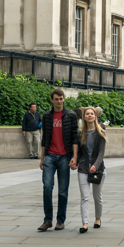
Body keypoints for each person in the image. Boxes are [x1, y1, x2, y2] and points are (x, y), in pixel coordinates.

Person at [38, 89, 79, 231]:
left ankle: (60, 220)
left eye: (61, 99)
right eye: (56, 99)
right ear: (52, 100)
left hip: (64, 157)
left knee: (63, 190)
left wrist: (74, 157)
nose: (59, 101)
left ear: (63, 99)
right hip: (49, 156)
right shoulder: (47, 116)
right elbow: (44, 138)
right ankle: (48, 220)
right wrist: (42, 157)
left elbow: (75, 137)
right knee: (47, 187)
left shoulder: (71, 115)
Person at [77, 106, 107, 233]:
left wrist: (95, 165)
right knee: (84, 196)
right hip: (83, 168)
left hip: (98, 169)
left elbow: (101, 152)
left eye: (92, 114)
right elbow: (78, 152)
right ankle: (84, 223)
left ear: (95, 116)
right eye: (87, 114)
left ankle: (98, 218)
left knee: (97, 196)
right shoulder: (81, 134)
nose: (89, 115)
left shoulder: (101, 133)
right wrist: (74, 161)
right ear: (84, 117)